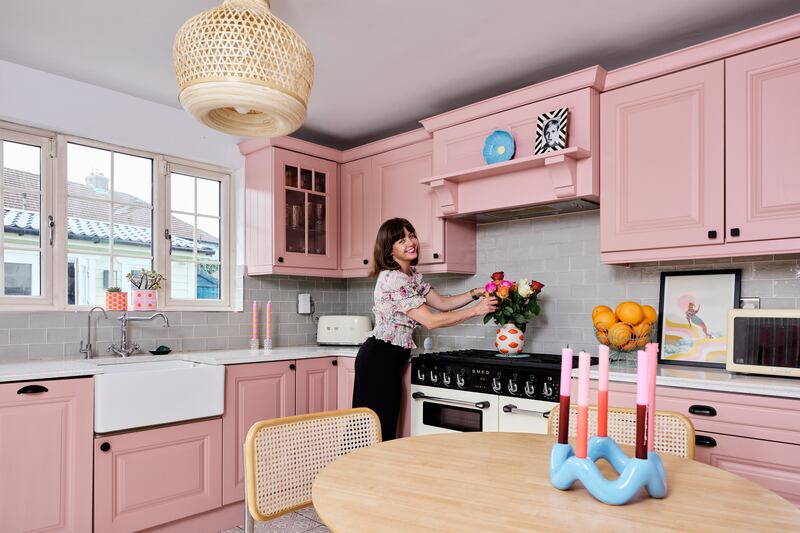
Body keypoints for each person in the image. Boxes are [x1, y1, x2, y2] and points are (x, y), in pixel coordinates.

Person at [352, 218, 498, 440]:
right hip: (378, 360)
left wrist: (475, 293)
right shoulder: (394, 280)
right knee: (371, 432)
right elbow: (432, 320)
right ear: (389, 250)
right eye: (402, 240)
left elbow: (442, 303)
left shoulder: (411, 276)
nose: (411, 242)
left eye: (412, 235)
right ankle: (355, 474)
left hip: (390, 360)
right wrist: (476, 311)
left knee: (383, 429)